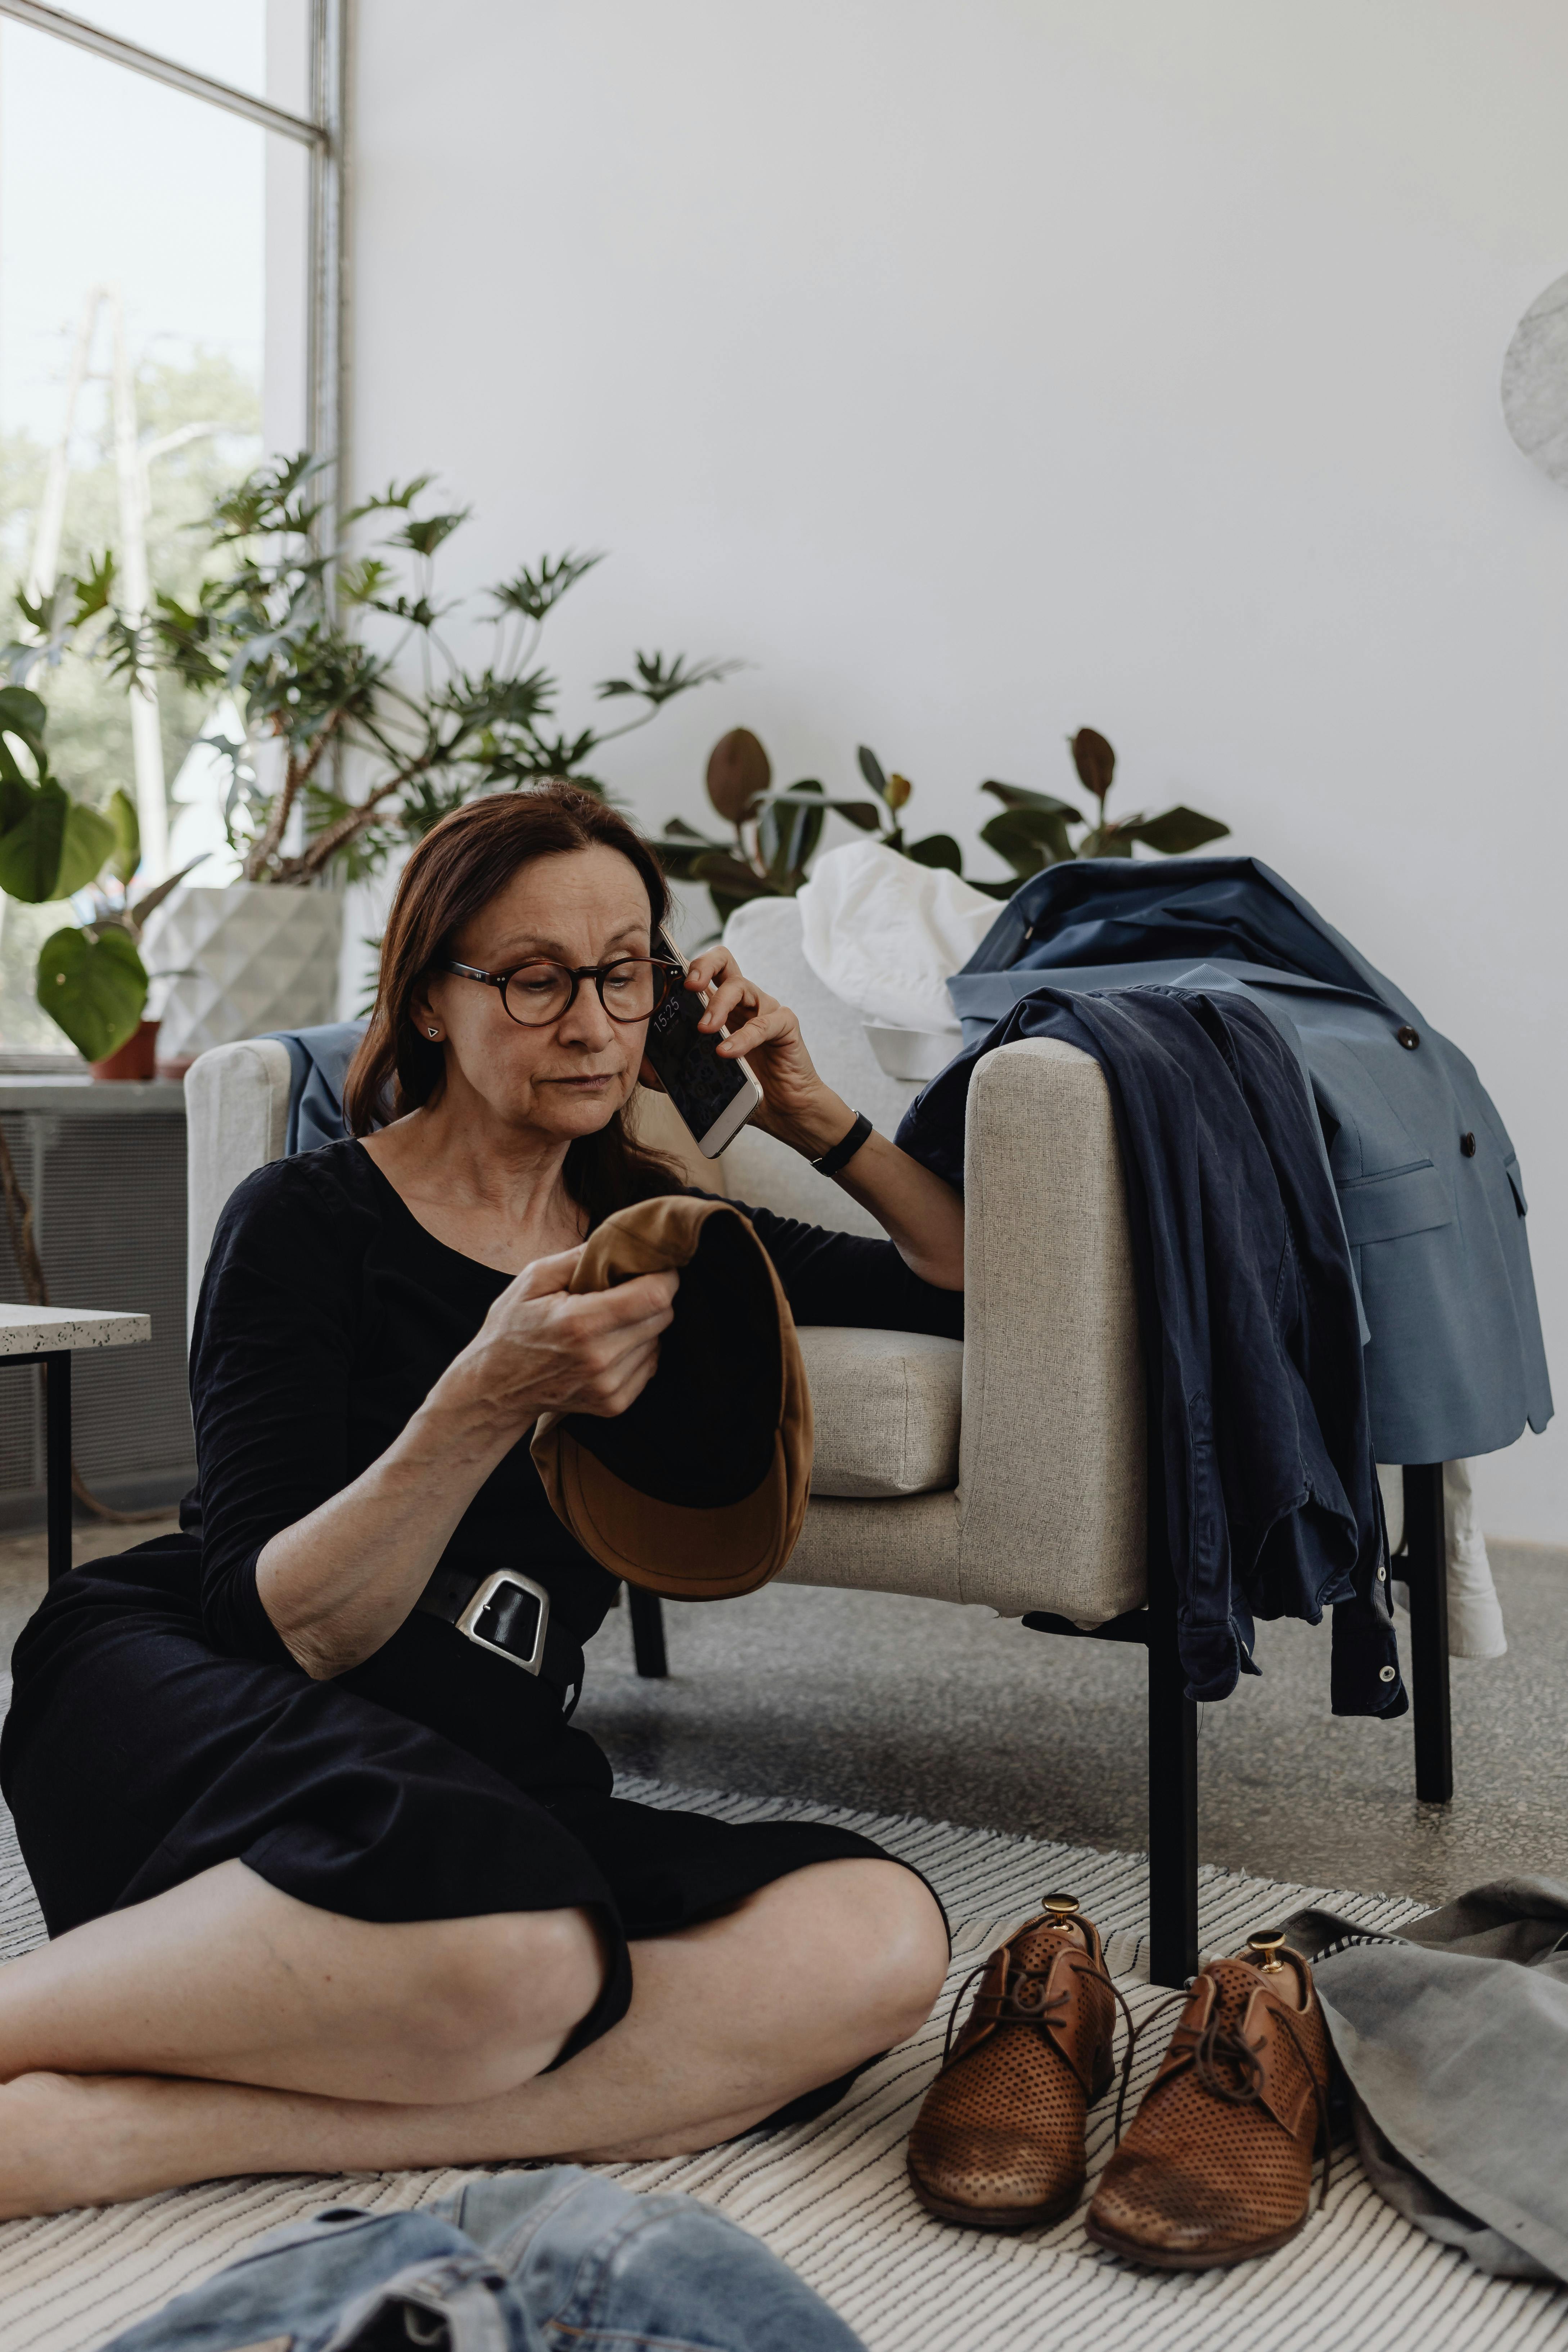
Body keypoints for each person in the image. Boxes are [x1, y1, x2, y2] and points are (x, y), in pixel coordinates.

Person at [0, 783, 961, 2218]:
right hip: (199, 1687)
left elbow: (960, 1281)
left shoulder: (662, 1237)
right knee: (525, 1960)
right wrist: (485, 1393)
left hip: (475, 1752)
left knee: (872, 1935)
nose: (588, 1022)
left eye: (624, 972)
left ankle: (137, 2135)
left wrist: (820, 1117)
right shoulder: (304, 1219)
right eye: (533, 978)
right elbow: (293, 1625)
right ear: (433, 1001)